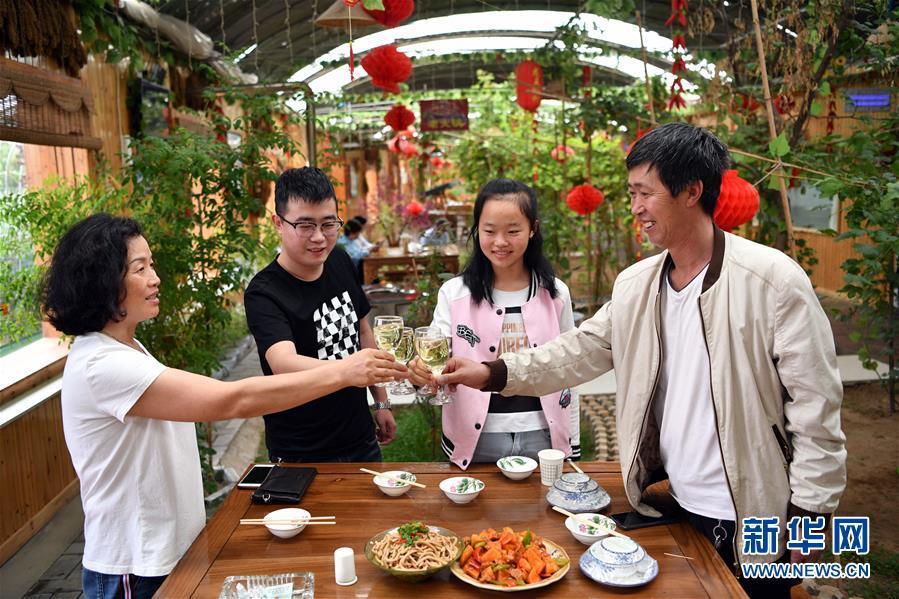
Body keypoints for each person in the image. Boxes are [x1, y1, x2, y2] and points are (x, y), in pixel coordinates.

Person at [434, 123, 846, 598]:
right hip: (670, 500)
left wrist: (811, 517)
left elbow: (816, 408)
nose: (635, 207)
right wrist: (491, 373)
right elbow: (578, 351)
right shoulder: (637, 285)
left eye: (645, 193)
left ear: (692, 191)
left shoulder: (771, 282)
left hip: (756, 510)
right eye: (632, 193)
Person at [45, 214, 404, 599]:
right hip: (134, 565)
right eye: (140, 268)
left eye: (152, 265)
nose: (155, 278)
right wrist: (343, 372)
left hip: (165, 554)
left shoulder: (125, 348)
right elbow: (231, 399)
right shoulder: (102, 365)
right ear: (102, 280)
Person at [410, 178, 579, 469]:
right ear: (477, 230)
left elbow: (570, 369)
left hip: (542, 437)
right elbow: (434, 360)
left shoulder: (555, 294)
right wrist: (420, 373)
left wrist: (571, 442)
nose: (500, 242)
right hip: (476, 440)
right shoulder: (455, 293)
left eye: (513, 231)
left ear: (533, 229)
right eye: (489, 231)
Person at [244, 167, 399, 463]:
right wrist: (348, 370)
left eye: (328, 224)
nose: (319, 238)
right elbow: (283, 363)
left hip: (360, 437)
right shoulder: (264, 292)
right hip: (300, 450)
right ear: (278, 223)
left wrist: (381, 402)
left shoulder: (338, 258)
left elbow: (363, 331)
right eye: (305, 226)